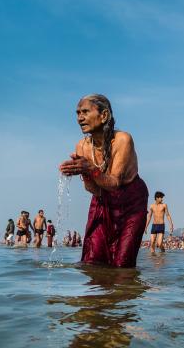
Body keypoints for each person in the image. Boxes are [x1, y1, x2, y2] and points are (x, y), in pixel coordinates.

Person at [60, 94, 149, 268]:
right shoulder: (82, 146)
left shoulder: (122, 140)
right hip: (102, 200)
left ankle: (121, 293)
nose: (80, 118)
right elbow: (94, 190)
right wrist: (83, 172)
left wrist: (89, 168)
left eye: (85, 112)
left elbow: (115, 183)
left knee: (123, 263)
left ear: (104, 115)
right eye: (77, 113)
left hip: (131, 202)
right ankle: (98, 296)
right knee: (92, 261)